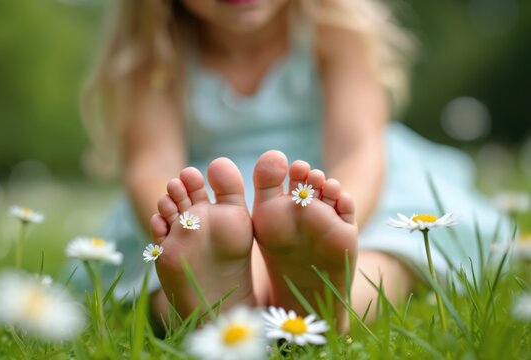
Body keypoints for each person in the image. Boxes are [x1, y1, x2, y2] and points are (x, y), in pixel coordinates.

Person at [80, 0, 504, 332]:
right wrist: (186, 223)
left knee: (388, 251)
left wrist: (335, 218)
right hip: (214, 199)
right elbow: (153, 164)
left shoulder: (333, 28)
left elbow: (357, 147)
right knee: (167, 271)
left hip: (329, 183)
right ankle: (212, 296)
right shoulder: (158, 53)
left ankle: (328, 298)